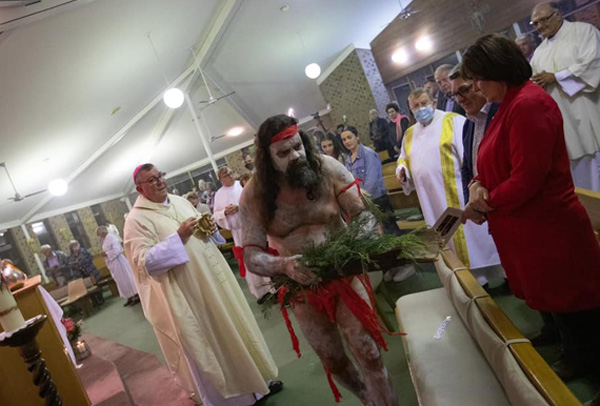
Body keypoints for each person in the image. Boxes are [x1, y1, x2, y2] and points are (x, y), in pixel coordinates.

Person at [460, 34, 600, 406]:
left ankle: (587, 360)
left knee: (579, 307)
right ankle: (573, 352)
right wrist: (477, 183)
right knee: (561, 305)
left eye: (478, 78)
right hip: (529, 227)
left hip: (549, 228)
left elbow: (528, 177)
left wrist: (485, 203)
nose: (474, 86)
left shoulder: (527, 105)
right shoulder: (506, 104)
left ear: (497, 72)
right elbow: (491, 158)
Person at [240, 114, 399, 405]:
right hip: (303, 289)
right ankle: (367, 399)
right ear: (267, 158)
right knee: (334, 361)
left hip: (345, 274)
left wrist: (353, 244)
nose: (296, 156)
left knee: (368, 351)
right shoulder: (254, 195)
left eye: (297, 146)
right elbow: (251, 255)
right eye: (284, 153)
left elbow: (362, 214)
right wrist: (284, 265)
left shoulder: (329, 168)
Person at [124, 163, 281, 406]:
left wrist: (209, 228)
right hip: (190, 292)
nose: (159, 182)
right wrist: (179, 238)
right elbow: (144, 263)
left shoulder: (179, 201)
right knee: (215, 337)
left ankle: (259, 385)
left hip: (216, 280)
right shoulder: (136, 220)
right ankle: (237, 400)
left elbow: (206, 232)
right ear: (139, 188)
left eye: (160, 176)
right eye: (152, 180)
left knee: (236, 324)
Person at [396, 88, 504, 287]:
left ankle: (488, 279)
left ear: (433, 103)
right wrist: (403, 170)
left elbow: (472, 156)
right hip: (430, 200)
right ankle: (465, 280)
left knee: (474, 240)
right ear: (410, 111)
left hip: (458, 194)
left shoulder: (453, 121)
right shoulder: (410, 134)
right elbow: (403, 158)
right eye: (415, 107)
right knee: (446, 239)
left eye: (423, 103)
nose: (420, 109)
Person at [530, 2, 600, 191]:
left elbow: (593, 64)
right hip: (564, 124)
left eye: (543, 20)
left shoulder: (584, 32)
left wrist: (556, 77)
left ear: (558, 15)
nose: (539, 26)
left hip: (589, 112)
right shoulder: (538, 54)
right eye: (535, 24)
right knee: (583, 183)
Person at [213, 166, 273, 302]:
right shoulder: (219, 194)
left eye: (230, 173)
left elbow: (254, 202)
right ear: (220, 179)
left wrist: (238, 207)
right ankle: (260, 292)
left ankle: (272, 288)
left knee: (261, 255)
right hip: (237, 233)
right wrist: (224, 212)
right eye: (225, 175)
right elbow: (215, 214)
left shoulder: (241, 186)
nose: (229, 176)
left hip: (251, 227)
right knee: (247, 260)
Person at [449, 64, 500, 202]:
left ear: (479, 85)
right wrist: (469, 202)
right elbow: (467, 168)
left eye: (464, 90)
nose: (460, 99)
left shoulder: (501, 114)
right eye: (455, 95)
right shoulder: (468, 124)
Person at [96, 226, 139, 307]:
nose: (99, 236)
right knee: (120, 282)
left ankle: (135, 296)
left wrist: (107, 254)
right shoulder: (105, 240)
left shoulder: (112, 238)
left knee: (127, 279)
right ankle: (128, 297)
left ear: (103, 232)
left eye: (99, 234)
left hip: (119, 262)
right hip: (113, 263)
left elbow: (117, 250)